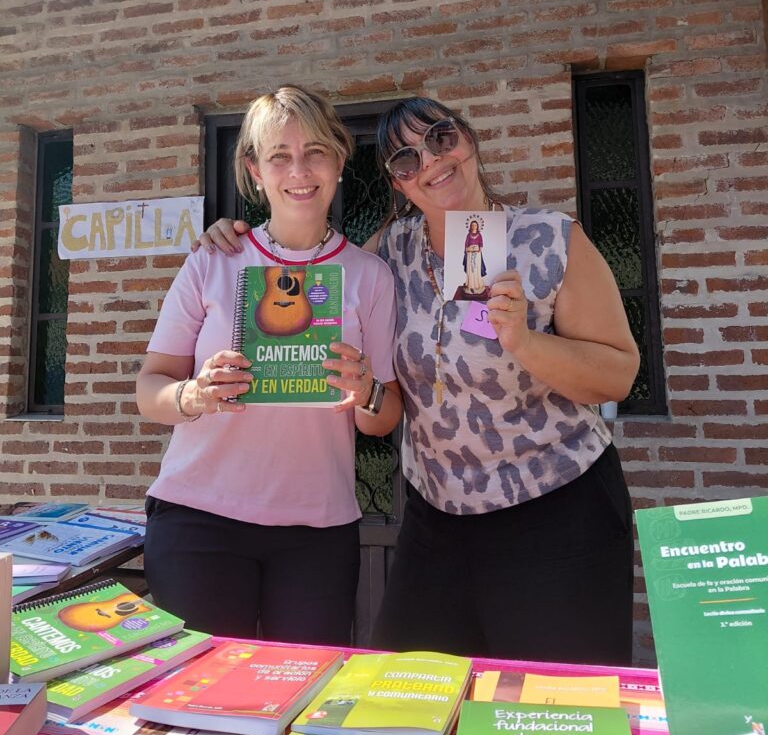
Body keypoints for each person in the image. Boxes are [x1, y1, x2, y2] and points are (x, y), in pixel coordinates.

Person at [196, 96, 640, 665]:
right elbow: (305, 268)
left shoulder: (549, 239)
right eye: (406, 160)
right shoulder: (391, 254)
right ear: (397, 183)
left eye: (440, 138)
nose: (429, 162)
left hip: (555, 509)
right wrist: (233, 241)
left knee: (551, 704)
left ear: (468, 138)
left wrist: (526, 342)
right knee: (405, 694)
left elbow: (618, 375)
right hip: (438, 518)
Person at [136, 85, 402, 645]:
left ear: (339, 161)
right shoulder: (213, 260)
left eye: (315, 152)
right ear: (255, 171)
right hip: (198, 520)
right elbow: (149, 390)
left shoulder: (369, 276)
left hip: (317, 529)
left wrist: (366, 391)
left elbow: (383, 419)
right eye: (279, 155)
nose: (298, 170)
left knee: (302, 687)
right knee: (200, 692)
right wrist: (194, 395)